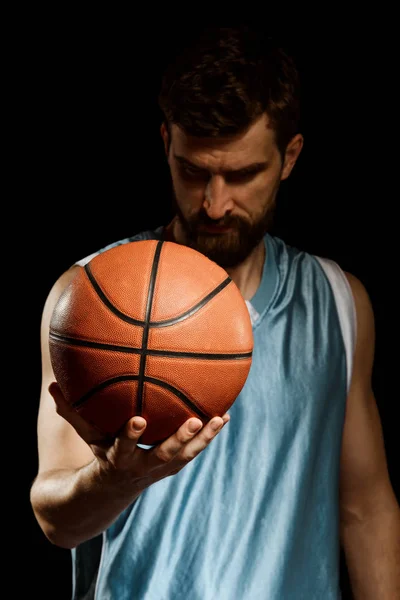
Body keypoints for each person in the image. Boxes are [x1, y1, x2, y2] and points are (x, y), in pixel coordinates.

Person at [30, 25, 399, 599]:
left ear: (289, 157)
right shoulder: (87, 300)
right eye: (194, 171)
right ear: (166, 145)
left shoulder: (339, 302)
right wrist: (113, 480)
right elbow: (55, 520)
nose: (215, 203)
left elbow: (364, 506)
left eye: (243, 174)